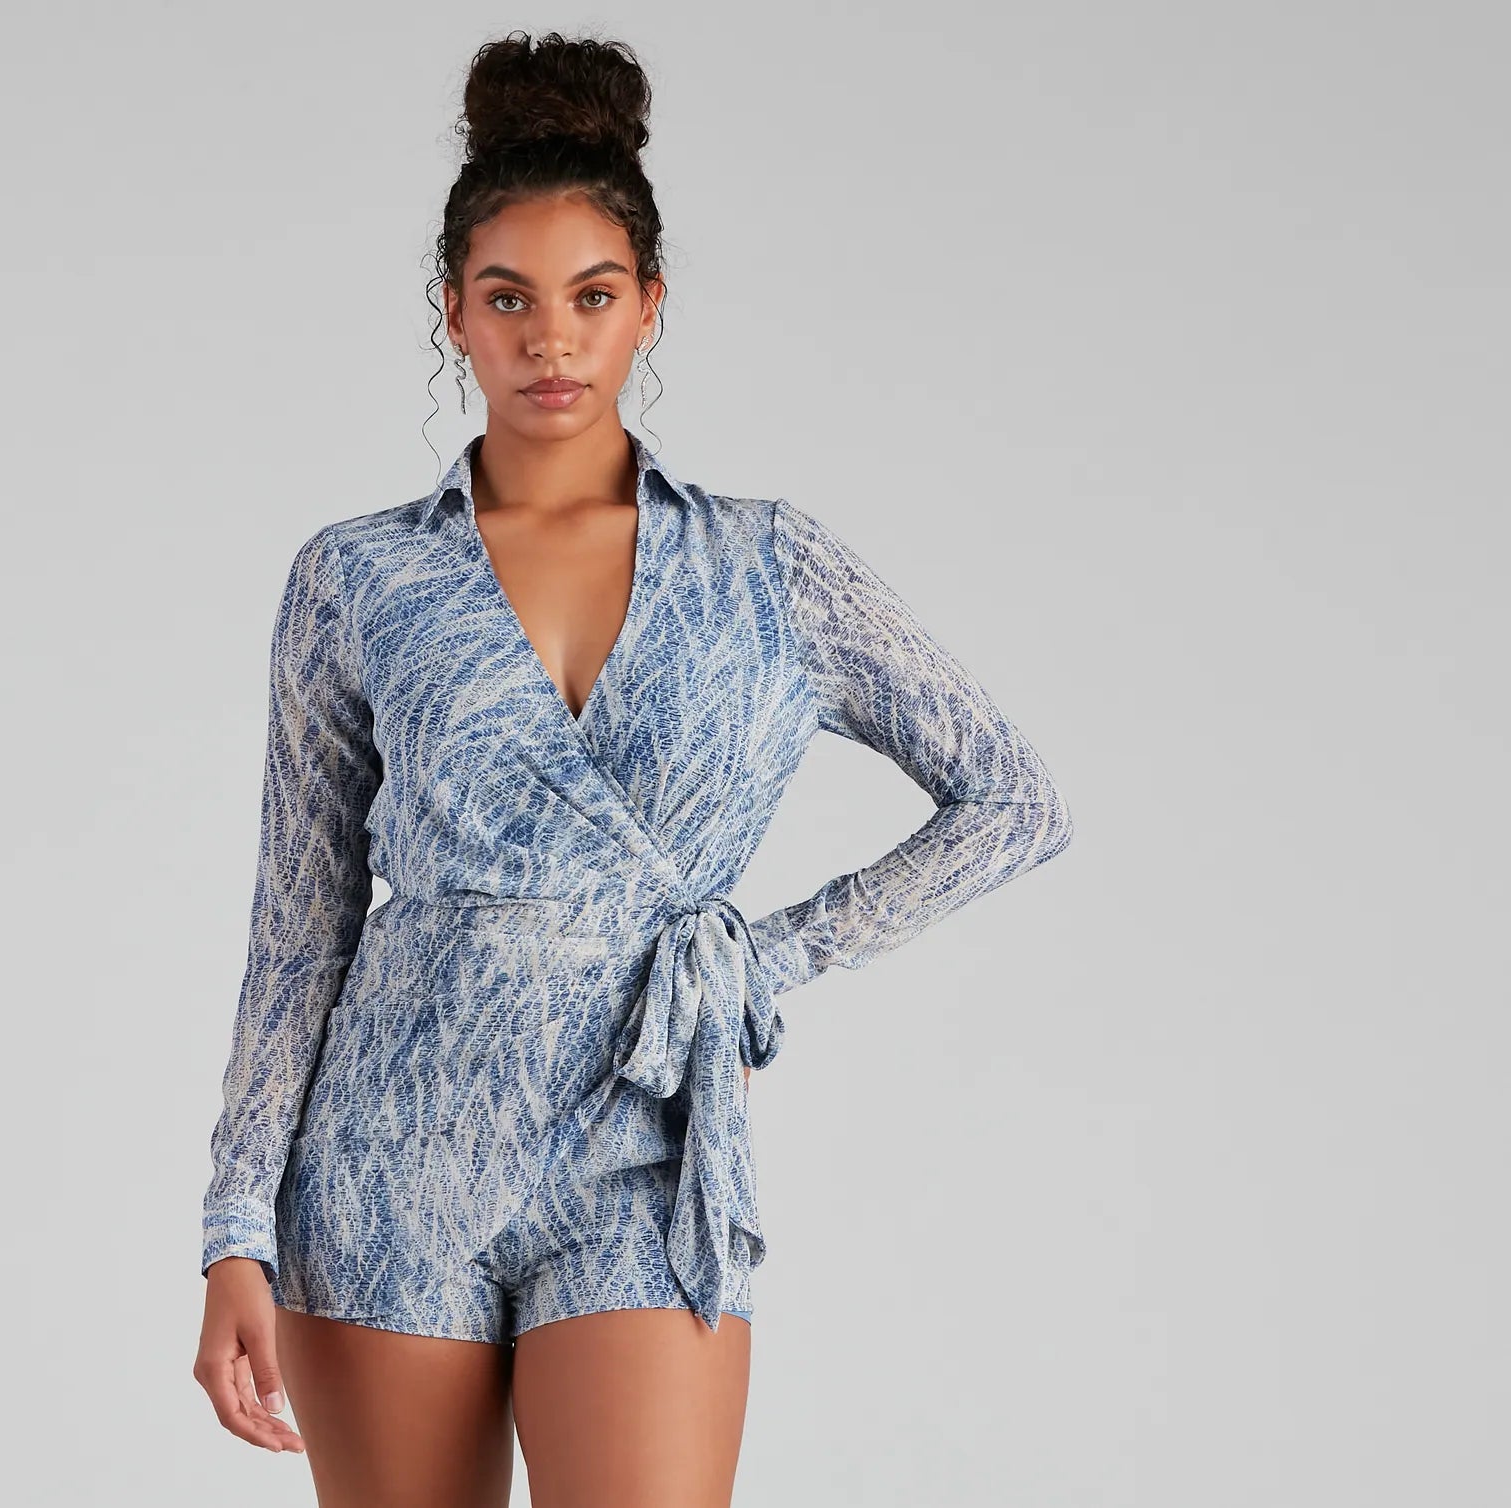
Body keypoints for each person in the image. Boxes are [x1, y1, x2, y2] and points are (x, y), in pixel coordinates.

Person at [191, 28, 1072, 1508]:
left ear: (649, 307)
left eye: (592, 297)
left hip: (645, 1149)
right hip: (388, 1152)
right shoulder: (356, 578)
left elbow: (1014, 801)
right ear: (454, 314)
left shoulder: (766, 568)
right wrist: (233, 1226)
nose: (552, 340)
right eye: (509, 299)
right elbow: (299, 923)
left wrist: (772, 955)